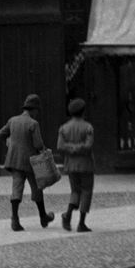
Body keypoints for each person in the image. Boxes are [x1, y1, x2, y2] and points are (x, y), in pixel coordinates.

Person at [0, 93, 51, 232]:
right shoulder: (33, 123)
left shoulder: (12, 120)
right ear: (34, 110)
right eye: (37, 111)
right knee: (37, 188)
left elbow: (0, 134)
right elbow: (38, 144)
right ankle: (43, 217)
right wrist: (45, 151)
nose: (37, 114)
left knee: (16, 189)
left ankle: (15, 220)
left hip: (14, 161)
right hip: (32, 162)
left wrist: (9, 142)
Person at [56, 97, 95, 232]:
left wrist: (70, 148)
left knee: (75, 191)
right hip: (86, 164)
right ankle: (81, 223)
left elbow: (60, 146)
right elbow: (88, 146)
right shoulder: (88, 127)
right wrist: (79, 148)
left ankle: (68, 215)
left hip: (71, 165)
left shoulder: (64, 128)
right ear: (83, 111)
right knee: (86, 191)